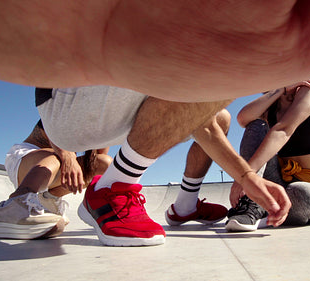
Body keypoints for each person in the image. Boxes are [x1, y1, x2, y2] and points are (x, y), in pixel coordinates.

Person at [0, 1, 310, 101]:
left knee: (215, 100)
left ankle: (171, 195)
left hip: (101, 73)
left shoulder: (307, 91)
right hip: (67, 111)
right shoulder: (299, 89)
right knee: (218, 104)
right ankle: (121, 182)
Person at [36, 86, 291, 246]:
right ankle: (112, 187)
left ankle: (182, 205)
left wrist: (246, 176)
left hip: (108, 107)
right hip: (67, 104)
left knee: (216, 112)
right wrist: (66, 155)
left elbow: (193, 110)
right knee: (217, 63)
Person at [226, 80, 310, 232]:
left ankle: (265, 207)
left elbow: (283, 130)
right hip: (278, 182)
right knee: (256, 125)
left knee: (303, 194)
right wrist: (280, 90)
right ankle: (253, 205)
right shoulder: (272, 105)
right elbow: (243, 118)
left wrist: (245, 175)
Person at [0, 119, 112, 239]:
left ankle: (49, 200)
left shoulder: (107, 123)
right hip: (26, 159)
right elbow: (54, 134)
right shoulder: (76, 108)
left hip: (53, 167)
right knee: (57, 154)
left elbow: (99, 157)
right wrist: (69, 159)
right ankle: (14, 205)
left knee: (103, 164)